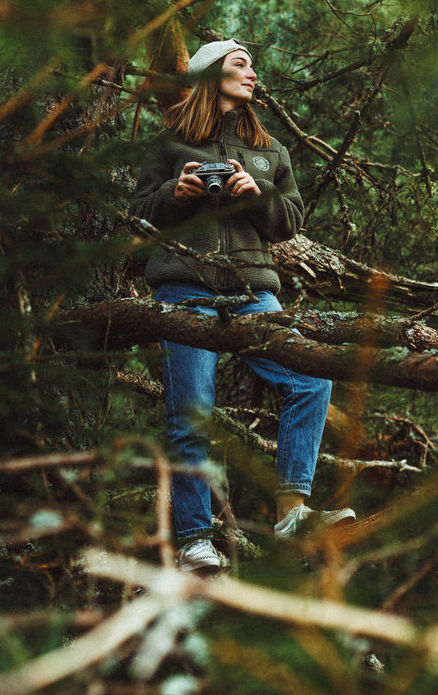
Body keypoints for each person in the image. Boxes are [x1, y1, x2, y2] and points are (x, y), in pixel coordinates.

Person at [130, 38, 355, 573]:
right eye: (241, 64)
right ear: (210, 76)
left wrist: (257, 192)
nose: (253, 73)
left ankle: (291, 512)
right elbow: (138, 212)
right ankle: (194, 543)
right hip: (185, 290)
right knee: (193, 414)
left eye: (253, 63)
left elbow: (290, 222)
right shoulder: (168, 147)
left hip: (254, 293)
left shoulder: (271, 150)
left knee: (312, 378)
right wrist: (175, 195)